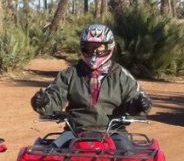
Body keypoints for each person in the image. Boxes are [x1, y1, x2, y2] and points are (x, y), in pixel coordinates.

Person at [30, 23, 151, 151]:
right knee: (49, 155)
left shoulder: (122, 76)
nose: (93, 53)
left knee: (129, 159)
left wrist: (140, 104)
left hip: (114, 132)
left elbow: (134, 96)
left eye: (98, 49)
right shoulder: (70, 74)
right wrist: (44, 102)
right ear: (82, 48)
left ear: (109, 47)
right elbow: (55, 95)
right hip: (75, 131)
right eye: (88, 48)